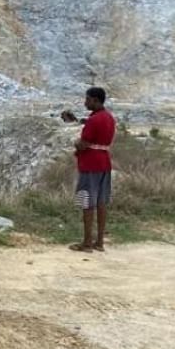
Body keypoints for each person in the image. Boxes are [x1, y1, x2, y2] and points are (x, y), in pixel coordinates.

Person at [61, 87, 115, 253]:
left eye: (88, 99)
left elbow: (83, 143)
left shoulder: (94, 120)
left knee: (86, 202)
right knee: (101, 202)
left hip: (90, 164)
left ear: (95, 100)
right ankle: (99, 242)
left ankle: (86, 243)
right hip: (104, 163)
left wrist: (76, 143)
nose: (85, 102)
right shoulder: (108, 117)